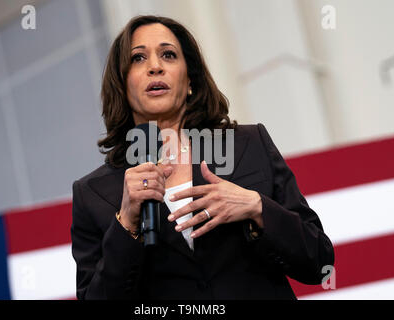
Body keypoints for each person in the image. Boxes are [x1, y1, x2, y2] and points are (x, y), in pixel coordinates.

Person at [71, 15, 334, 300]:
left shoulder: (248, 145)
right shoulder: (92, 194)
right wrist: (126, 223)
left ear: (190, 80)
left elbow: (320, 262)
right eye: (138, 58)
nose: (155, 67)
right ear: (122, 85)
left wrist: (256, 207)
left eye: (168, 55)